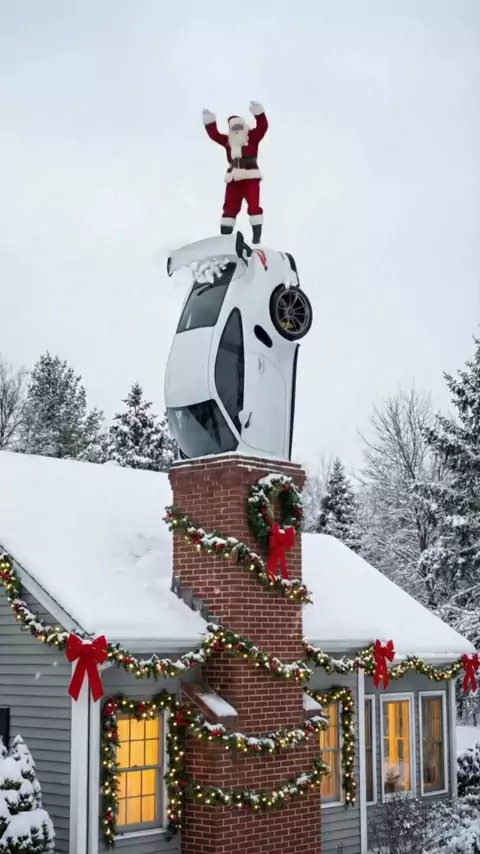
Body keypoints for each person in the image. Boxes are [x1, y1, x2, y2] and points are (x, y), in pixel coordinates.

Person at [202, 102, 268, 245]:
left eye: (239, 127)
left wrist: (259, 113)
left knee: (254, 206)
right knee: (229, 208)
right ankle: (225, 238)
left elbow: (262, 127)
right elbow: (214, 135)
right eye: (234, 128)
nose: (237, 130)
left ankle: (256, 238)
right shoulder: (228, 141)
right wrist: (209, 121)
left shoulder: (252, 137)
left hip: (250, 176)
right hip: (234, 179)